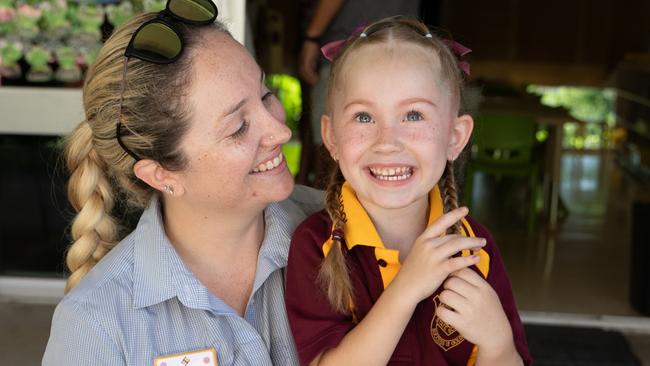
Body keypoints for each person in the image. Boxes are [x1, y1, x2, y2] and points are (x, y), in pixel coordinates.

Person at [42, 0, 321, 364]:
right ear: (161, 174)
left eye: (266, 96)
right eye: (238, 128)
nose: (280, 130)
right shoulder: (96, 323)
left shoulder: (342, 226)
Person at [285, 17, 532, 366]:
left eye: (414, 116)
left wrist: (498, 343)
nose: (387, 142)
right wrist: (407, 288)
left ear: (455, 137)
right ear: (331, 137)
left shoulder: (474, 248)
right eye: (364, 117)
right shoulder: (316, 246)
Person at [297, 0, 419, 185]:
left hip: (349, 49)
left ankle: (335, 208)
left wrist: (312, 37)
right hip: (401, 46)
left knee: (331, 153)